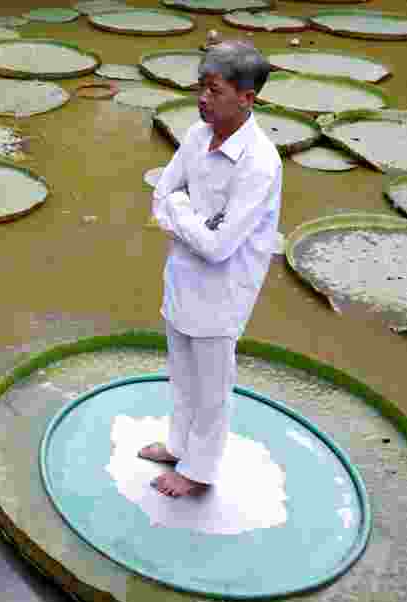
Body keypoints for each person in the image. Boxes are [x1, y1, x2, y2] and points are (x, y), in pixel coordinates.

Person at [141, 41, 282, 498]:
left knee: (212, 385)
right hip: (181, 276)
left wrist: (181, 211)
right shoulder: (196, 136)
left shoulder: (260, 163)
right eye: (201, 87)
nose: (203, 98)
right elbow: (161, 197)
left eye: (214, 90)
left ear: (247, 98)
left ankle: (199, 472)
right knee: (181, 372)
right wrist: (189, 217)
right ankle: (178, 444)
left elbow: (219, 248)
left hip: (223, 291)